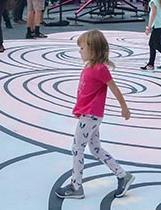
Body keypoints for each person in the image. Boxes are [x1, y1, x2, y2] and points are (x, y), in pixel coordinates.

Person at [55, 30, 134, 200]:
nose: (80, 51)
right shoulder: (90, 66)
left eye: (82, 48)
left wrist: (124, 106)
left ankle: (76, 186)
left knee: (77, 148)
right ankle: (122, 175)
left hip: (91, 116)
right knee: (95, 149)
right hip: (88, 114)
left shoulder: (100, 69)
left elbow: (114, 88)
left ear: (93, 49)